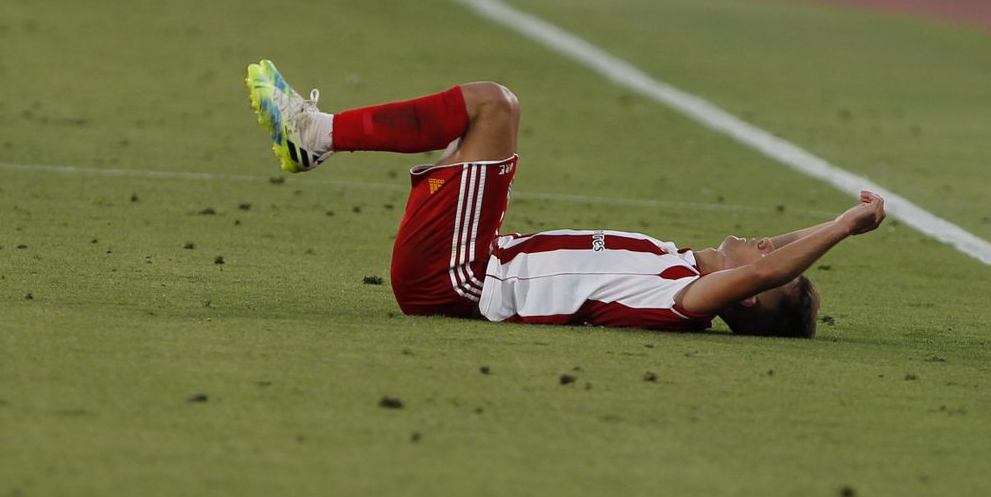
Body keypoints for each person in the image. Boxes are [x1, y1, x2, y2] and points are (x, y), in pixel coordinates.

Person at [245, 60, 886, 335]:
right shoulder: (684, 264)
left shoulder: (680, 300)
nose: (764, 242)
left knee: (494, 105)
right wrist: (834, 218)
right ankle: (318, 137)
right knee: (484, 114)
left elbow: (775, 267)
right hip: (476, 258)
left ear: (747, 292)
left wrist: (846, 229)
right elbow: (773, 257)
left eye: (764, 263)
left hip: (459, 280)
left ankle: (315, 137)